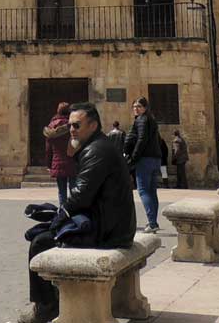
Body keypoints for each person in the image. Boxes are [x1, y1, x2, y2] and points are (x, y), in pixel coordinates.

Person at [20, 102, 135, 323]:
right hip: (112, 224)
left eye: (76, 125)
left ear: (93, 125)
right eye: (70, 125)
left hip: (108, 232)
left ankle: (46, 307)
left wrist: (59, 216)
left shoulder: (97, 150)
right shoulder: (97, 145)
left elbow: (81, 195)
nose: (71, 129)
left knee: (41, 242)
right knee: (48, 232)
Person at [123, 96, 162, 233]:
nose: (136, 109)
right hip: (154, 159)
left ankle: (152, 223)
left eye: (139, 106)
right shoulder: (152, 120)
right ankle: (153, 222)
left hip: (145, 159)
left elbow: (141, 140)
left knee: (143, 190)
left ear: (145, 108)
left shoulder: (141, 120)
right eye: (134, 106)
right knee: (152, 191)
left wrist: (133, 157)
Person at [43, 102, 77, 205]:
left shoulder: (51, 127)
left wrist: (49, 164)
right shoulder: (73, 126)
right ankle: (75, 211)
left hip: (58, 162)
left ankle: (63, 212)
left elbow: (48, 149)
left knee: (61, 191)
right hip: (73, 161)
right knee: (74, 189)